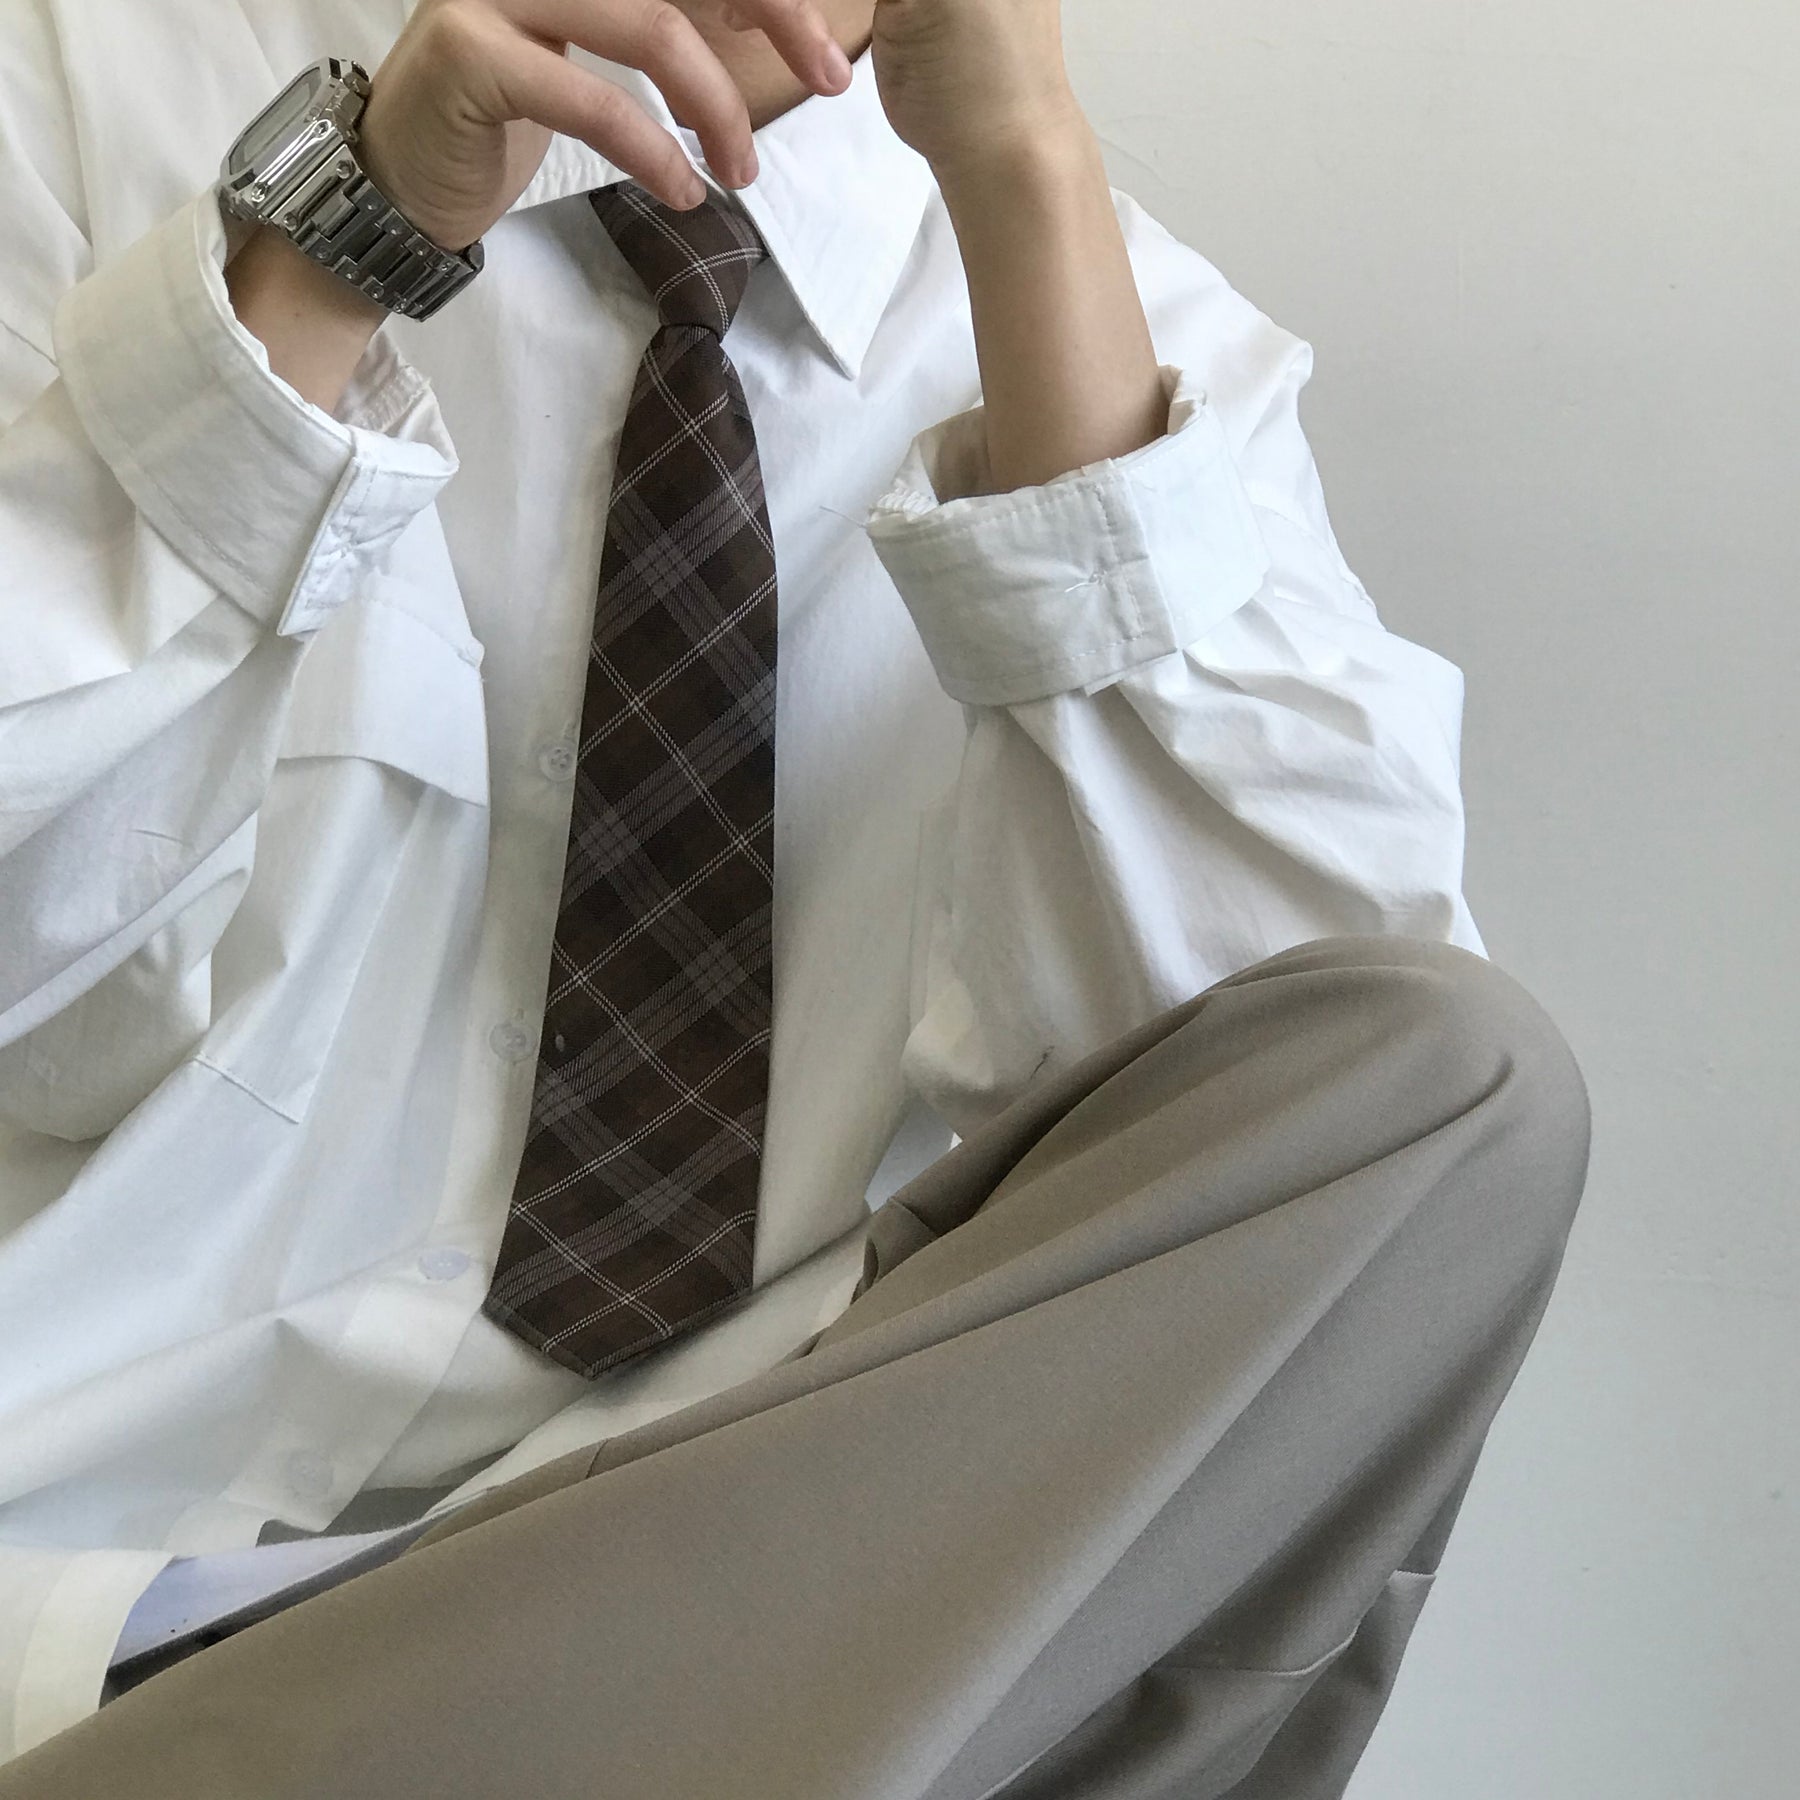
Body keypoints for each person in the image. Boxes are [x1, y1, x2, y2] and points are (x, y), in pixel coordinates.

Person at [0, 0, 1592, 1793]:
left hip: (771, 1619)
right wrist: (327, 260)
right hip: (77, 1597)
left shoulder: (1134, 345)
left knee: (1458, 1083)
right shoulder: (73, 89)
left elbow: (1247, 1193)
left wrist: (1025, 175)